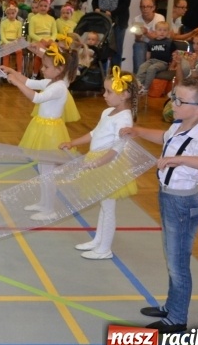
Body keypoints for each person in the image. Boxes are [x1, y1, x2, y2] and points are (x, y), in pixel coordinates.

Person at [121, 77, 198, 334]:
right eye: (173, 96)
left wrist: (180, 160)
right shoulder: (179, 127)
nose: (173, 103)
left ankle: (177, 319)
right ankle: (171, 306)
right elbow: (165, 137)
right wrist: (138, 131)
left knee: (178, 263)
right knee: (173, 258)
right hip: (168, 198)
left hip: (182, 204)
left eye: (180, 100)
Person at [60, 66, 139, 259]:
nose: (104, 95)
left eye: (109, 92)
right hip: (98, 160)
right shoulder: (108, 112)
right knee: (104, 206)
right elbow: (94, 133)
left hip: (109, 165)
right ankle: (98, 240)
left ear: (125, 95)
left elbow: (116, 149)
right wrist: (73, 142)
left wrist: (97, 164)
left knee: (108, 208)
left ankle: (105, 249)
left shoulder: (125, 119)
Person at [0, 41, 80, 221]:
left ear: (58, 70)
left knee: (48, 173)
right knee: (44, 170)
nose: (42, 69)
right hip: (43, 127)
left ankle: (50, 209)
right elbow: (30, 82)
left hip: (50, 132)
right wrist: (12, 72)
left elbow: (36, 98)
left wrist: (16, 84)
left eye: (46, 66)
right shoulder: (52, 81)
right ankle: (44, 203)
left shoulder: (59, 87)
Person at [93, 0, 132, 69]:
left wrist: (112, 13)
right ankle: (101, 77)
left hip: (117, 21)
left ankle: (115, 78)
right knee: (102, 49)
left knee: (116, 50)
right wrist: (96, 7)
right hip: (102, 19)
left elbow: (126, 3)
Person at [136, 21, 174, 92]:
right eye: (160, 30)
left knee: (151, 69)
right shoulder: (152, 42)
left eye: (165, 30)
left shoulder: (170, 42)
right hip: (151, 60)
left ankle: (146, 88)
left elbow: (175, 54)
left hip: (163, 63)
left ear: (168, 32)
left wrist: (171, 65)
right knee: (142, 67)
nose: (162, 32)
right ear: (155, 31)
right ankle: (138, 85)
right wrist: (147, 61)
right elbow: (148, 53)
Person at [131, 0, 165, 73]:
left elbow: (158, 38)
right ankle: (138, 76)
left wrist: (146, 33)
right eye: (143, 7)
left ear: (153, 8)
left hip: (157, 45)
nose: (145, 9)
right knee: (138, 45)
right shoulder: (136, 19)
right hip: (143, 44)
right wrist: (138, 36)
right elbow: (137, 40)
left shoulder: (159, 18)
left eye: (148, 7)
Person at [0, 3, 25, 74]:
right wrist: (8, 43)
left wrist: (15, 42)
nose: (11, 15)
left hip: (15, 42)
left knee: (19, 51)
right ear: (6, 14)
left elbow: (19, 35)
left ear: (16, 13)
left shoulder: (19, 23)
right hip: (5, 41)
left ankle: (19, 71)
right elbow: (2, 35)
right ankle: (5, 71)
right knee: (6, 52)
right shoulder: (3, 23)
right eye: (8, 14)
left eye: (13, 13)